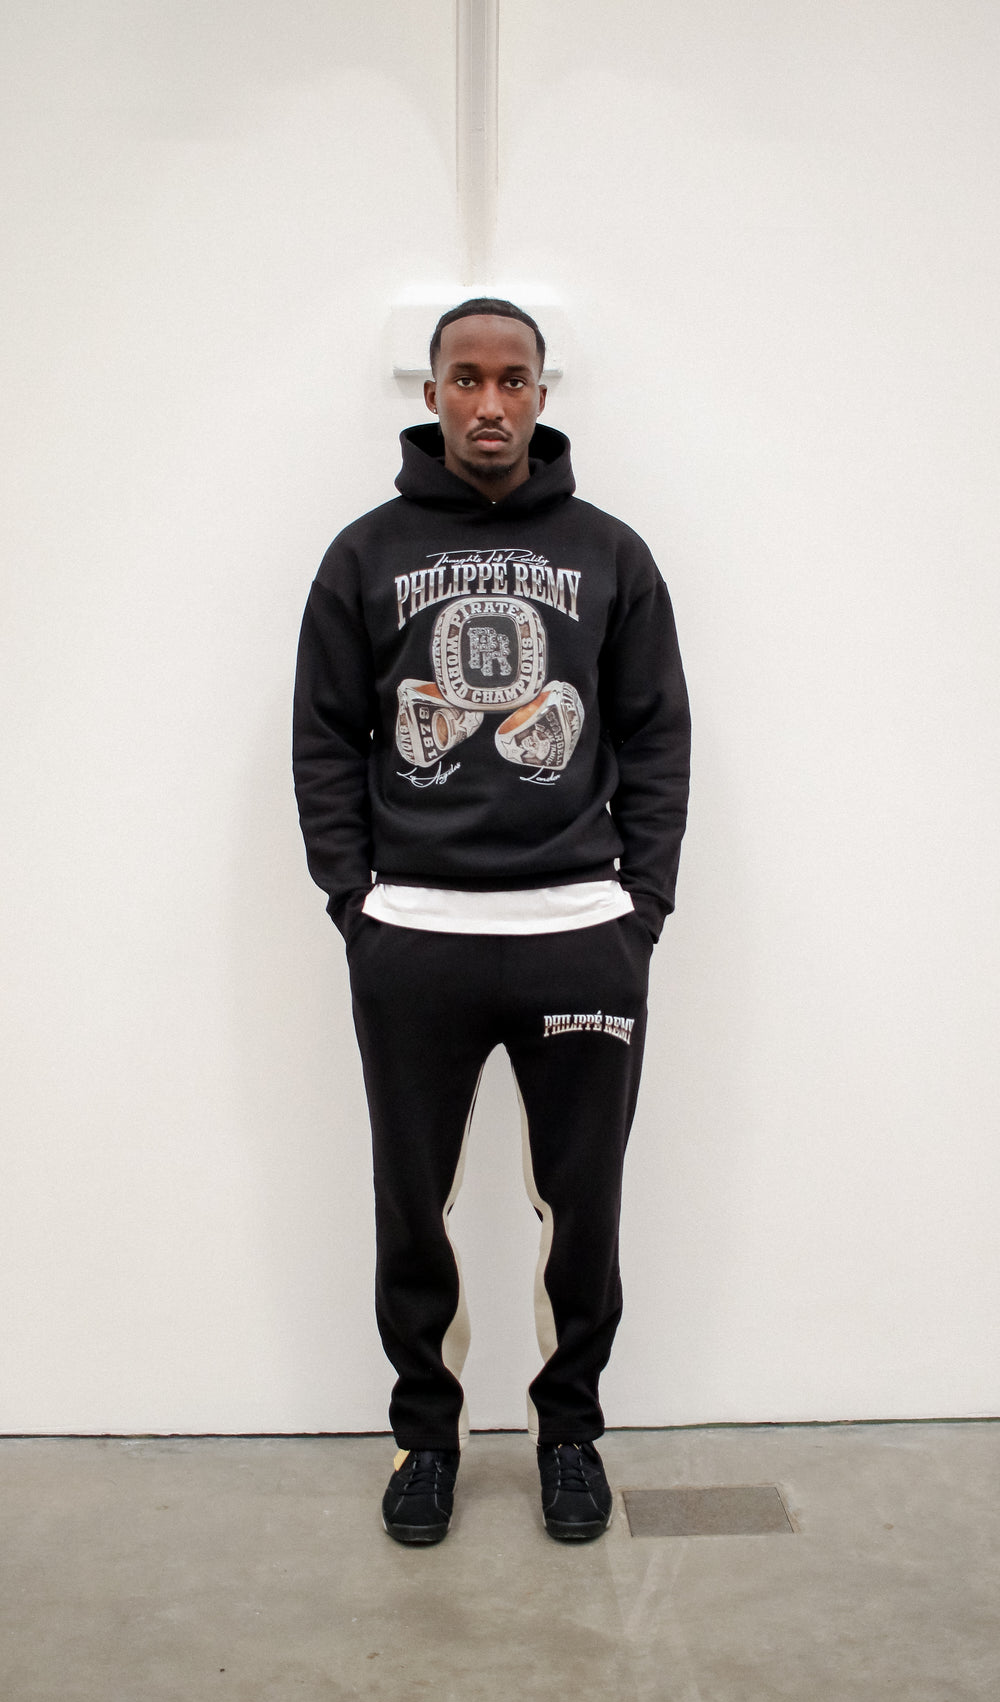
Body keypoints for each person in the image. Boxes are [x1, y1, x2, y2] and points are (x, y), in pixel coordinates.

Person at [293, 298, 690, 1545]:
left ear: (540, 395)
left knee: (583, 1203)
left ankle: (569, 1432)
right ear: (431, 395)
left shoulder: (610, 553)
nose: (488, 402)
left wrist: (640, 905)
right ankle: (426, 1439)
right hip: (414, 933)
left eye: (512, 379)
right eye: (465, 378)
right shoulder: (363, 555)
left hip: (579, 929)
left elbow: (656, 735)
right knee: (412, 1205)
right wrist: (355, 900)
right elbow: (324, 737)